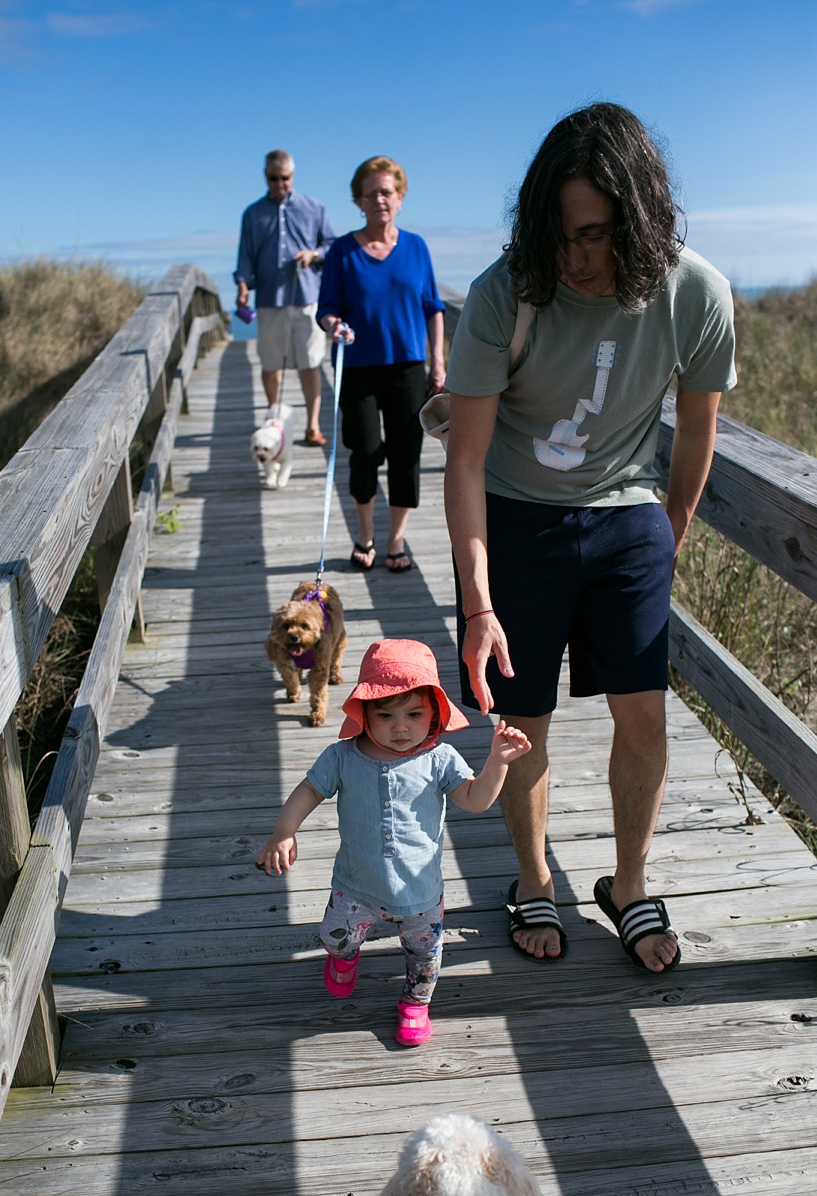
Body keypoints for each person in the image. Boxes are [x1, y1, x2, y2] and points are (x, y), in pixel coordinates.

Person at [443, 103, 737, 974]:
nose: (577, 258)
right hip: (517, 514)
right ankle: (532, 880)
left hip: (629, 514)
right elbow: (462, 463)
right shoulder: (506, 294)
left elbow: (695, 428)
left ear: (641, 219)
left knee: (643, 710)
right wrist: (478, 603)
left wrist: (670, 528)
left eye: (598, 236)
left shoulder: (697, 295)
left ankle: (629, 882)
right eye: (561, 235)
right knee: (522, 720)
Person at [257, 639, 531, 1045]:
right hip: (355, 885)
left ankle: (415, 1003)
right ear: (363, 712)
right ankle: (345, 959)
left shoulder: (440, 758)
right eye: (385, 714)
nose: (400, 726)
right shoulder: (342, 756)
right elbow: (309, 790)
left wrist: (498, 764)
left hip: (420, 893)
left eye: (414, 714)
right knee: (335, 937)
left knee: (425, 956)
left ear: (435, 713)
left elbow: (475, 800)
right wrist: (284, 831)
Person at [316, 156, 446, 573]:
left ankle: (395, 540)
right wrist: (334, 324)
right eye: (370, 193)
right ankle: (366, 533)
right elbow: (327, 308)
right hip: (356, 367)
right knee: (365, 450)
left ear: (400, 197)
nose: (379, 199)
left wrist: (437, 362)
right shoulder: (342, 251)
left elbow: (433, 307)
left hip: (408, 365)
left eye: (386, 192)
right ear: (358, 200)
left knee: (407, 454)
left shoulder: (416, 247)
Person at [235, 149, 336, 445]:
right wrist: (242, 284)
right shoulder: (252, 214)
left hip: (307, 298)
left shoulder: (314, 208)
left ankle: (313, 425)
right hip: (268, 300)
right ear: (265, 177)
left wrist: (313, 254)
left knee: (310, 363)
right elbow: (244, 257)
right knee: (270, 364)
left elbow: (332, 244)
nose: (280, 184)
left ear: (293, 176)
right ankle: (274, 420)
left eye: (285, 178)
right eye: (274, 178)